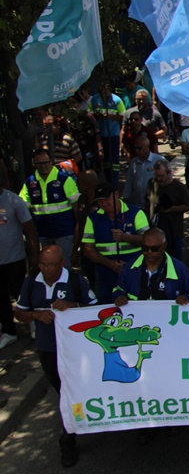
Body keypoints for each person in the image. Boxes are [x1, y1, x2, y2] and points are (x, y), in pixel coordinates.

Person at [15, 245, 96, 467]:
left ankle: (67, 441)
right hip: (47, 347)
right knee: (61, 390)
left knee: (72, 390)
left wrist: (73, 306)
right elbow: (20, 312)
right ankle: (75, 422)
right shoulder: (32, 282)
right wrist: (34, 314)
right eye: (42, 264)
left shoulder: (76, 281)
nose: (46, 269)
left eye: (51, 264)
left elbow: (96, 311)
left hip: (74, 348)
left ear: (62, 264)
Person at [81, 183, 148, 304]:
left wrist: (126, 237)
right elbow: (88, 249)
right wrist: (110, 264)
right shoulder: (92, 218)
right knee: (106, 306)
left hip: (134, 271)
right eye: (99, 201)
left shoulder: (136, 212)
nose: (103, 203)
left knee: (137, 303)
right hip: (105, 273)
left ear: (116, 194)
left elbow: (148, 240)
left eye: (106, 199)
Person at [20, 149, 81, 267]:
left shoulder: (64, 179)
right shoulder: (30, 182)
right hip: (42, 233)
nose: (43, 166)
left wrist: (77, 229)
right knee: (45, 266)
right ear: (34, 164)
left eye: (46, 162)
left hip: (64, 232)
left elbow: (76, 207)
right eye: (40, 163)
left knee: (64, 265)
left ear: (51, 162)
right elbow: (22, 207)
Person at [0, 168, 39, 349]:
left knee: (20, 293)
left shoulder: (13, 200)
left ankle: (32, 323)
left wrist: (34, 257)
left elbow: (30, 230)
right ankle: (9, 331)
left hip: (14, 258)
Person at [113, 227, 189, 305]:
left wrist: (187, 298)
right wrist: (119, 296)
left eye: (154, 249)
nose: (149, 252)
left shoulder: (180, 269)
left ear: (164, 246)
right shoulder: (130, 267)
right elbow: (118, 289)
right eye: (145, 248)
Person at [146, 159, 189, 260]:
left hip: (174, 232)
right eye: (156, 175)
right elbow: (147, 203)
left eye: (161, 176)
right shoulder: (151, 184)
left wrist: (171, 209)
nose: (158, 179)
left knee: (174, 261)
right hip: (155, 230)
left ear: (169, 173)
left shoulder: (179, 187)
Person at [90, 81, 125, 186]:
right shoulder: (94, 99)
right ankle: (107, 179)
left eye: (107, 90)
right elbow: (89, 113)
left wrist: (110, 116)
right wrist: (96, 114)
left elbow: (122, 116)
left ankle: (114, 180)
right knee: (105, 159)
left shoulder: (117, 100)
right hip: (100, 134)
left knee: (114, 159)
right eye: (102, 90)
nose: (104, 93)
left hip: (113, 133)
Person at [122, 135, 160, 208]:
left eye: (139, 148)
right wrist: (125, 198)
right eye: (135, 148)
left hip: (154, 205)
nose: (136, 151)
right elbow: (129, 182)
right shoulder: (133, 162)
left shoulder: (159, 160)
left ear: (147, 147)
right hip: (137, 205)